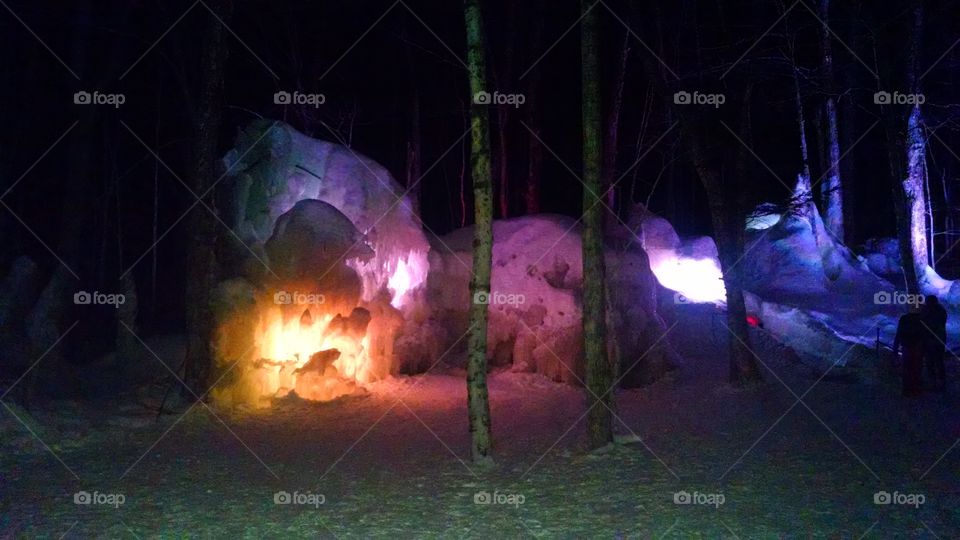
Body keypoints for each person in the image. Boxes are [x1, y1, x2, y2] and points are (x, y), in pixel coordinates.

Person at [893, 306, 925, 397]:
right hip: (916, 347)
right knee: (916, 368)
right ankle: (915, 389)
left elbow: (899, 334)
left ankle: (907, 389)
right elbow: (924, 335)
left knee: (907, 368)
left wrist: (895, 349)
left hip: (907, 347)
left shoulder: (904, 318)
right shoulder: (921, 319)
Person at [921, 296, 948, 392]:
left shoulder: (927, 311)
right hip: (940, 340)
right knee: (939, 361)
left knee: (931, 361)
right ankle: (941, 382)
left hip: (931, 340)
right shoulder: (941, 310)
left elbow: (924, 323)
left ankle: (933, 381)